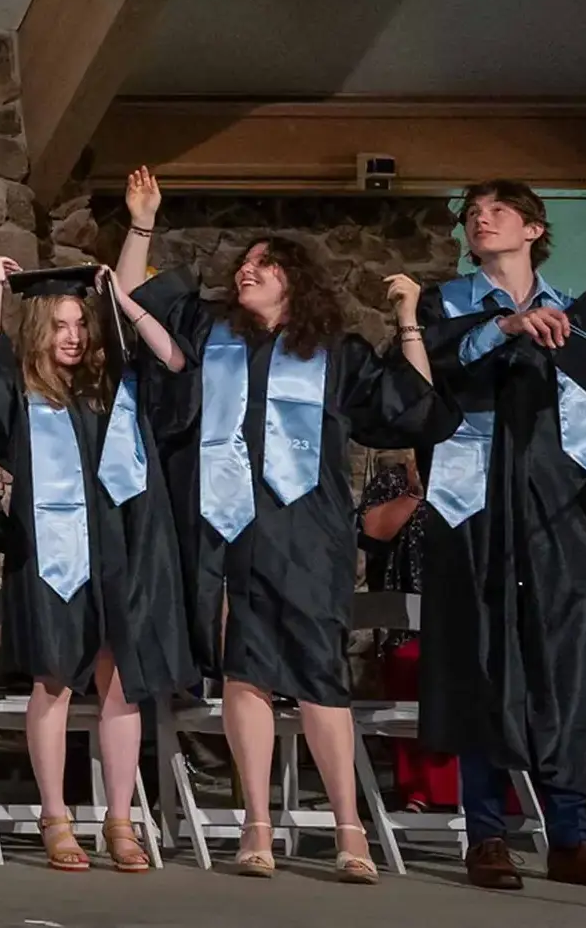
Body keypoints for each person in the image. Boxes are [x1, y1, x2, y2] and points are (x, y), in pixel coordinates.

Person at [116, 167, 453, 883]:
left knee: (318, 678)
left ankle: (350, 828)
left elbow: (412, 404)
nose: (248, 272)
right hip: (228, 527)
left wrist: (408, 321)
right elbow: (134, 305)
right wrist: (142, 222)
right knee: (245, 673)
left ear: (294, 279)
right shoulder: (212, 336)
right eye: (244, 264)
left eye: (264, 265)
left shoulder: (337, 355)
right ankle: (257, 827)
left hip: (309, 533)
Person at [414, 180, 586, 891]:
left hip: (568, 511)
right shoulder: (442, 306)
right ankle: (488, 834)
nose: (480, 220)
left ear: (535, 229)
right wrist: (505, 328)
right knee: (484, 660)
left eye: (497, 211)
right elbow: (428, 380)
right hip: (472, 507)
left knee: (575, 664)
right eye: (472, 214)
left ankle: (570, 836)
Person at [0, 257, 194, 872]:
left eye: (81, 324)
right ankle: (56, 816)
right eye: (60, 324)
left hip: (125, 547)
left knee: (122, 684)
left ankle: (120, 819)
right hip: (54, 554)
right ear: (40, 328)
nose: (72, 335)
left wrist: (123, 299)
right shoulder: (21, 394)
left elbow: (173, 360)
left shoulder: (115, 383)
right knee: (54, 680)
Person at [354, 450, 460, 815]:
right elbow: (371, 531)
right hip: (410, 618)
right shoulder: (397, 479)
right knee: (410, 666)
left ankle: (477, 795)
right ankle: (420, 790)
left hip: (467, 613)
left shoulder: (478, 469)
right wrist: (415, 491)